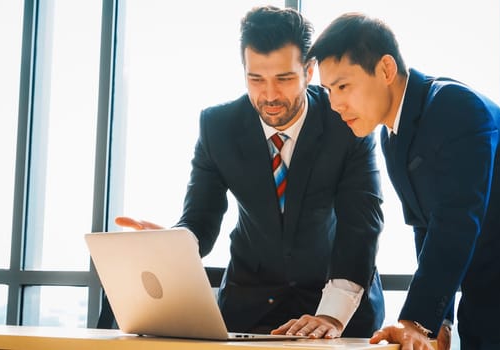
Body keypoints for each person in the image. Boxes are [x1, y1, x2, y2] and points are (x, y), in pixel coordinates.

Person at [306, 12, 500, 350]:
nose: (335, 103)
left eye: (343, 86)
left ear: (385, 69)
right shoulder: (391, 137)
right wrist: (439, 323)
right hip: (485, 292)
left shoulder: (455, 108)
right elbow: (426, 228)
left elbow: (457, 221)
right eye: (328, 90)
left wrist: (416, 322)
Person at [115, 6, 386, 339]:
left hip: (334, 306)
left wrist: (332, 315)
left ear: (310, 70)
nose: (269, 95)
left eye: (284, 79)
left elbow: (361, 225)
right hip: (251, 306)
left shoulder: (346, 123)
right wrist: (171, 246)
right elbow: (200, 218)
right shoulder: (217, 127)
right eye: (255, 79)